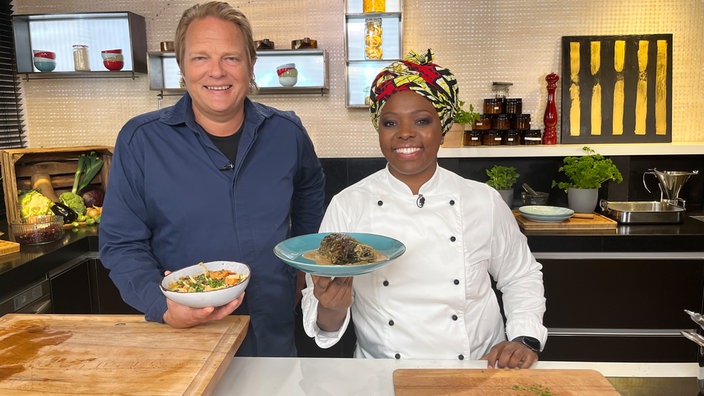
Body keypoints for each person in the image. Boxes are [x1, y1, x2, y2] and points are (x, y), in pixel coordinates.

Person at [99, 1, 325, 357]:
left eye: (231, 58)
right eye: (200, 57)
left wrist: (302, 268)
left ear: (251, 65)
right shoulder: (141, 140)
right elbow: (121, 244)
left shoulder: (287, 133)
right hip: (185, 340)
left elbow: (311, 191)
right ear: (182, 67)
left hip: (273, 332)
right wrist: (161, 306)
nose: (216, 72)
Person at [301, 49, 546, 368]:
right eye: (390, 122)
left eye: (421, 120)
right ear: (379, 129)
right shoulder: (348, 204)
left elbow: (520, 275)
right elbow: (322, 312)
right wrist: (332, 307)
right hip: (383, 373)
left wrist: (523, 337)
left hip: (477, 367)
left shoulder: (481, 199)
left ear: (443, 128)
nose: (405, 133)